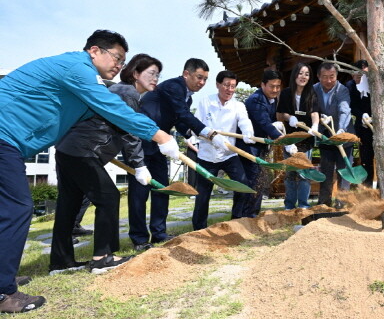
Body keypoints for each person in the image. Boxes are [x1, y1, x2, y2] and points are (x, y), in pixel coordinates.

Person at [0, 30, 181, 313]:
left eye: (123, 61)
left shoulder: (86, 80)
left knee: (26, 208)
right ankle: (3, 291)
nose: (119, 65)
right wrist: (158, 136)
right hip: (4, 137)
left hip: (19, 144)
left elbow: (102, 114)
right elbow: (113, 109)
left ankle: (11, 274)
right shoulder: (77, 69)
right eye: (117, 58)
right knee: (18, 208)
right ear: (95, 51)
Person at [50, 53, 163, 275]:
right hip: (83, 152)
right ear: (135, 73)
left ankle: (61, 263)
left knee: (68, 206)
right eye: (152, 73)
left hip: (68, 150)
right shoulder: (127, 92)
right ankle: (102, 258)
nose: (155, 79)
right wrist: (139, 165)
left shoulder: (120, 91)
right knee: (109, 197)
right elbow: (130, 129)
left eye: (158, 75)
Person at [128, 58, 228, 251]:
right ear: (186, 74)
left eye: (205, 79)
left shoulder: (187, 97)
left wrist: (191, 135)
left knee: (162, 189)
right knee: (139, 193)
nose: (202, 82)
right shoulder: (174, 86)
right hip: (141, 141)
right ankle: (139, 239)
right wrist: (208, 132)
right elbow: (183, 114)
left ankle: (159, 233)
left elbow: (179, 120)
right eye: (199, 77)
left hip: (158, 144)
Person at [192, 70, 256, 229]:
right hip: (207, 156)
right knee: (203, 194)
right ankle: (199, 228)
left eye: (233, 86)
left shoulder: (238, 105)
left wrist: (248, 132)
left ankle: (237, 220)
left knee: (242, 185)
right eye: (226, 85)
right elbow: (196, 127)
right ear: (218, 84)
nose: (229, 89)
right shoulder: (205, 102)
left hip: (229, 154)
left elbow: (244, 121)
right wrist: (211, 137)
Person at [236, 70, 283, 217]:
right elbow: (263, 122)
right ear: (263, 84)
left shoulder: (273, 99)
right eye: (272, 86)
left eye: (278, 86)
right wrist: (283, 140)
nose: (275, 90)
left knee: (260, 179)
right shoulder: (255, 99)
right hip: (249, 146)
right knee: (251, 180)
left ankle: (253, 213)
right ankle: (244, 215)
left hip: (261, 145)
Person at [276, 63, 320, 210]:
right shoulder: (286, 93)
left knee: (303, 173)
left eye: (307, 74)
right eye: (301, 73)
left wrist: (315, 126)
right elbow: (280, 114)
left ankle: (303, 205)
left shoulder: (311, 94)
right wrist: (290, 118)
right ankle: (289, 205)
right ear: (295, 75)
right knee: (290, 173)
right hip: (290, 139)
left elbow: (315, 113)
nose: (303, 77)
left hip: (306, 140)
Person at [313, 62, 355, 207]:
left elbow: (344, 110)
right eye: (325, 77)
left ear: (336, 76)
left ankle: (342, 204)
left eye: (332, 77)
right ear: (318, 77)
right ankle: (324, 203)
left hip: (343, 136)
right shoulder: (313, 90)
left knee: (344, 171)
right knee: (326, 170)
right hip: (326, 137)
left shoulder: (342, 89)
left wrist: (341, 130)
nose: (329, 80)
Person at [345, 60, 375, 188]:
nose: (362, 78)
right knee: (366, 157)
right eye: (358, 75)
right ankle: (367, 185)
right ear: (353, 74)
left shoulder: (374, 85)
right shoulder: (350, 86)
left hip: (377, 125)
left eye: (365, 74)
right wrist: (361, 115)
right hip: (361, 126)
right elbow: (350, 105)